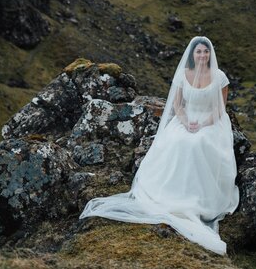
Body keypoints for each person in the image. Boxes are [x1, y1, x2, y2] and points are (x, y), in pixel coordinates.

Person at [79, 36, 239, 255]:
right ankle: (171, 192)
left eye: (206, 51)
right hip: (187, 120)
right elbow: (177, 105)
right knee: (178, 140)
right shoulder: (184, 75)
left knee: (198, 143)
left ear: (210, 54)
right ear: (192, 55)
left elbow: (220, 110)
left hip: (211, 123)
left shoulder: (219, 77)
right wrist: (185, 122)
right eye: (199, 52)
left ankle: (199, 198)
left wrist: (202, 124)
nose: (202, 55)